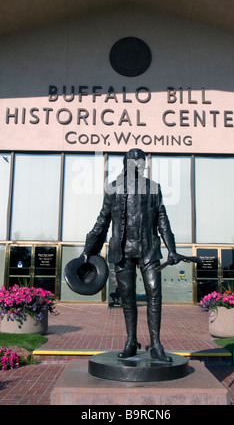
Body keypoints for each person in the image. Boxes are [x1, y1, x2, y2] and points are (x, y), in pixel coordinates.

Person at [82, 148, 180, 362]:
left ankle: (155, 345)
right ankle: (130, 342)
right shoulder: (113, 188)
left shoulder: (153, 188)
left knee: (155, 294)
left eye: (144, 162)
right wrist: (89, 248)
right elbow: (103, 220)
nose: (143, 166)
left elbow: (162, 219)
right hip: (122, 251)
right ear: (128, 164)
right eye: (139, 163)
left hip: (148, 250)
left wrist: (171, 248)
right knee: (127, 298)